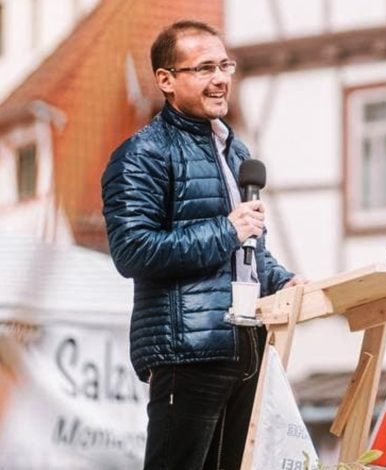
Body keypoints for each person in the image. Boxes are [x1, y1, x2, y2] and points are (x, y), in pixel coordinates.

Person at [101, 20, 303, 470]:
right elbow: (132, 250)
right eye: (204, 68)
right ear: (166, 80)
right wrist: (226, 230)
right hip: (187, 351)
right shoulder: (142, 155)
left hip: (247, 347)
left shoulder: (236, 151)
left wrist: (282, 281)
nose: (220, 79)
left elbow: (249, 250)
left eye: (225, 65)